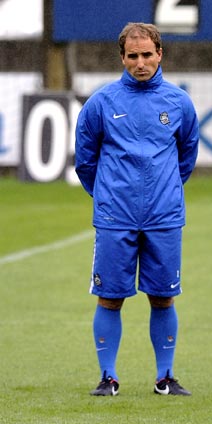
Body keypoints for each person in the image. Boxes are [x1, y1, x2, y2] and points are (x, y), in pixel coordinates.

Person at [75, 22, 199, 397]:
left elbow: (186, 156)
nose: (140, 62)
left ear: (160, 54)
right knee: (110, 296)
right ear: (122, 58)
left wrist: (164, 191)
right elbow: (85, 161)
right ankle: (108, 377)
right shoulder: (101, 103)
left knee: (163, 296)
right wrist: (110, 196)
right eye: (133, 56)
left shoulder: (179, 103)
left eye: (147, 54)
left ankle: (165, 377)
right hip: (115, 217)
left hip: (164, 216)